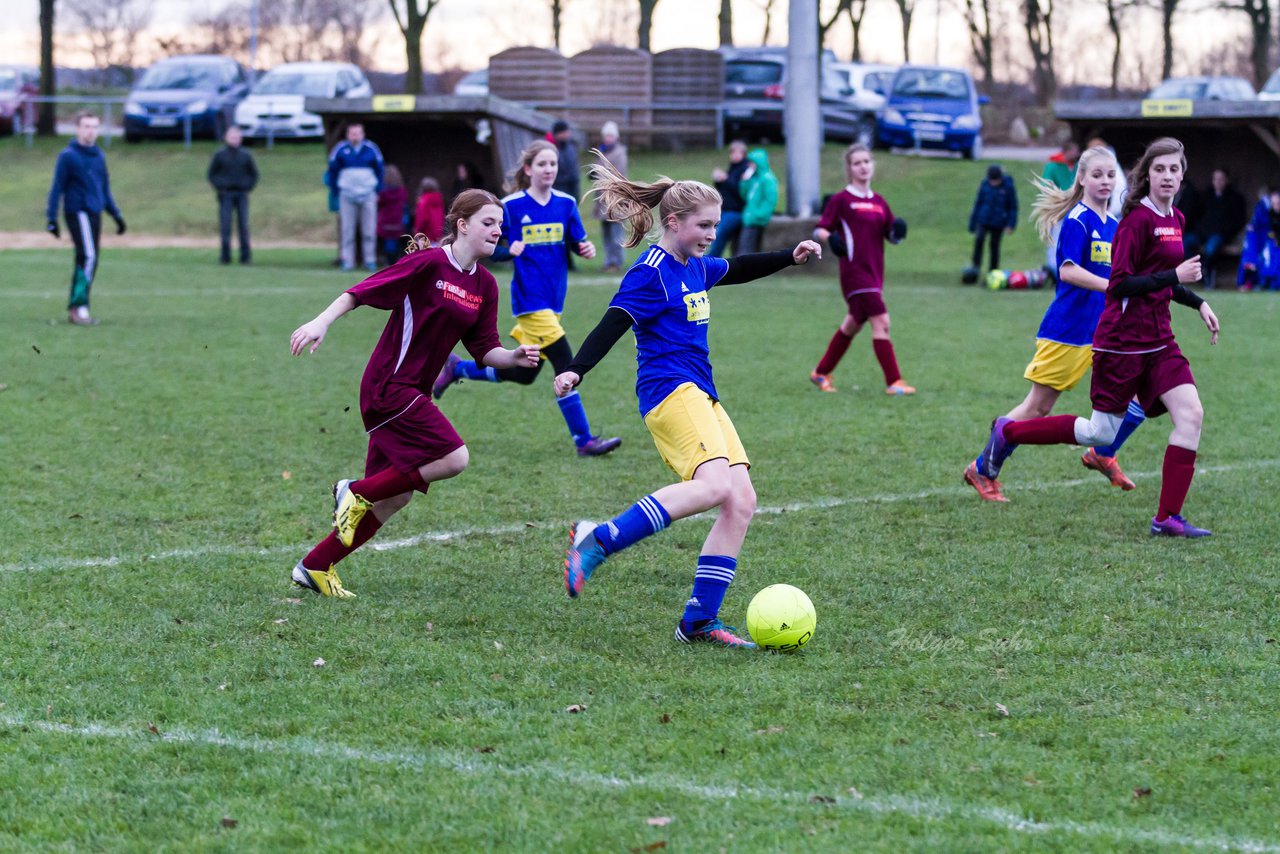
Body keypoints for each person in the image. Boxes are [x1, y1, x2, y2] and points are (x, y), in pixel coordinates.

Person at [554, 154, 822, 648]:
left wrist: (790, 256)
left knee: (741, 500)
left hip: (702, 392)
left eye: (716, 225)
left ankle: (698, 620)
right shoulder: (651, 272)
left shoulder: (695, 266)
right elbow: (614, 321)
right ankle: (599, 537)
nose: (710, 234)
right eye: (703, 225)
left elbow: (737, 268)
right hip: (669, 391)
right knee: (715, 486)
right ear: (672, 222)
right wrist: (576, 368)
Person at [286, 190, 540, 598]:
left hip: (414, 391)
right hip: (389, 384)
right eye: (489, 222)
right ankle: (354, 491)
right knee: (455, 458)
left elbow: (484, 349)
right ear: (463, 225)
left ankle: (315, 565)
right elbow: (362, 290)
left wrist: (513, 357)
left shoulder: (486, 284)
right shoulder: (429, 263)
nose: (498, 230)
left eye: (500, 224)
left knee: (397, 495)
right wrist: (321, 321)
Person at [975, 137, 1220, 537]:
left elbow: (1158, 281)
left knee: (1191, 414)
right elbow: (1120, 284)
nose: (1169, 176)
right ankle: (1008, 432)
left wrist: (1197, 302)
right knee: (1081, 424)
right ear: (1146, 175)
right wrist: (1175, 277)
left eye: (1175, 169)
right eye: (1160, 169)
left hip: (1159, 341)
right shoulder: (1132, 222)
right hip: (1112, 340)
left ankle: (1167, 518)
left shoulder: (1174, 219)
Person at [963, 145, 1147, 502]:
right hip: (1069, 330)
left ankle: (1103, 452)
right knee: (1038, 408)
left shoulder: (1114, 225)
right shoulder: (1078, 219)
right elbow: (1067, 270)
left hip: (1106, 331)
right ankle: (982, 468)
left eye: (1111, 175)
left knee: (1141, 393)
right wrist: (1113, 286)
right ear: (1081, 179)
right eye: (1097, 175)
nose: (1105, 181)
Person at [434, 140, 622, 457]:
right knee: (567, 365)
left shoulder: (565, 203)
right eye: (542, 164)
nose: (549, 169)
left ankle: (458, 369)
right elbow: (489, 246)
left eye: (553, 165)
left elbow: (577, 241)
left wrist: (584, 248)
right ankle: (585, 440)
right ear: (528, 169)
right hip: (530, 301)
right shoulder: (510, 206)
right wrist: (509, 251)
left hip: (554, 300)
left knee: (524, 373)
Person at [808, 144, 915, 396]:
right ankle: (894, 381)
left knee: (852, 325)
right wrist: (830, 239)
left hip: (875, 273)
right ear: (849, 168)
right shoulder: (841, 200)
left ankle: (821, 373)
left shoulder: (879, 202)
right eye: (857, 163)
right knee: (882, 321)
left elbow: (891, 234)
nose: (863, 166)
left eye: (867, 161)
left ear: (873, 164)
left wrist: (898, 232)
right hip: (854, 273)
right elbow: (819, 228)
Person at [46, 112, 126, 326]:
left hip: (94, 212)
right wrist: (52, 218)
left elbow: (104, 189)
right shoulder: (68, 156)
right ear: (77, 129)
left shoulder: (99, 156)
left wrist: (116, 216)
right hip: (77, 211)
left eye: (94, 127)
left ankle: (78, 306)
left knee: (90, 259)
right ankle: (79, 308)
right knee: (88, 256)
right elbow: (57, 188)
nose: (91, 131)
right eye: (86, 126)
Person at [327, 122, 385, 272]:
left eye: (358, 133)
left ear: (363, 134)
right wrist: (336, 189)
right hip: (347, 195)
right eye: (352, 133)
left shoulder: (371, 149)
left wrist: (377, 190)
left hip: (368, 194)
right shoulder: (340, 149)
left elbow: (380, 171)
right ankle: (348, 261)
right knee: (347, 230)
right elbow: (332, 171)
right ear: (348, 135)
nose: (355, 136)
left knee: (369, 230)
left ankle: (370, 260)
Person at [1185, 168, 1246, 289]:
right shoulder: (1206, 196)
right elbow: (1197, 216)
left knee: (1211, 248)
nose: (1218, 182)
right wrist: (1200, 230)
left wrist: (1224, 233)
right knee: (1183, 243)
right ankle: (1201, 271)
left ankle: (1207, 275)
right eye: (1215, 179)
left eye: (1221, 179)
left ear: (1227, 180)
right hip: (1202, 234)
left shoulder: (1235, 198)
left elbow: (1237, 222)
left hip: (1220, 235)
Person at [207, 125, 258, 265]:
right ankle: (225, 257)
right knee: (225, 225)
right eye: (232, 137)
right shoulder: (219, 155)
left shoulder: (246, 155)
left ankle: (245, 257)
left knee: (243, 225)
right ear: (226, 138)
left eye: (237, 137)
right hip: (226, 195)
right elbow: (211, 174)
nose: (235, 139)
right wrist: (220, 187)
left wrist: (248, 187)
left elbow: (254, 174)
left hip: (242, 194)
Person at [968, 163, 1018, 272]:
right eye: (991, 181)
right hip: (983, 219)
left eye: (995, 181)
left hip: (999, 222)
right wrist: (972, 222)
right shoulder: (985, 184)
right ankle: (975, 266)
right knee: (979, 239)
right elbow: (978, 203)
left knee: (994, 245)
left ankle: (993, 270)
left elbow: (1013, 207)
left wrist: (1011, 224)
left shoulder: (1008, 187)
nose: (993, 183)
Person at [593, 120, 628, 272]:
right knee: (606, 234)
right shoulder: (603, 151)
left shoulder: (619, 153)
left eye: (610, 136)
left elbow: (618, 177)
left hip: (615, 200)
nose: (607, 138)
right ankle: (609, 261)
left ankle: (617, 262)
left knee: (615, 234)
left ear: (616, 137)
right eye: (605, 135)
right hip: (602, 200)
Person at [1041, 140, 1080, 272]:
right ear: (1066, 152)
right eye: (1074, 151)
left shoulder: (1077, 166)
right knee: (1055, 239)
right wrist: (1059, 200)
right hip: (1058, 210)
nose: (1077, 154)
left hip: (1074, 209)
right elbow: (1046, 187)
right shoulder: (1052, 166)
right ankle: (1053, 269)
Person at [708, 140, 750, 258]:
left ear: (743, 154)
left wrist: (726, 179)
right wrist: (718, 180)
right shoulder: (733, 168)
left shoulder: (745, 170)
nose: (735, 155)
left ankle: (710, 260)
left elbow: (740, 191)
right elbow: (724, 190)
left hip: (736, 211)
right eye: (733, 153)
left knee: (719, 234)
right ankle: (711, 259)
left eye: (738, 153)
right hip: (724, 210)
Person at [1238, 188, 1280, 291]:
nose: (1276, 206)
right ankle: (1255, 281)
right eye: (1274, 203)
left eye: (1278, 203)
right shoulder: (1267, 216)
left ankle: (1272, 282)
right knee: (1259, 252)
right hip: (1267, 248)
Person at [738, 148, 777, 254]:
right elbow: (745, 196)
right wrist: (744, 182)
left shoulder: (768, 179)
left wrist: (758, 214)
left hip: (756, 219)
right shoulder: (754, 179)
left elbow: (770, 200)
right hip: (749, 218)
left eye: (752, 163)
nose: (750, 165)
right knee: (745, 248)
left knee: (746, 250)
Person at [377, 164, 409, 265]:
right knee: (397, 243)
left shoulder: (383, 193)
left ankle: (390, 263)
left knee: (389, 244)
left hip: (386, 222)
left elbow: (379, 204)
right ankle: (397, 262)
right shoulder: (402, 191)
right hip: (398, 222)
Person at [412, 176, 445, 247]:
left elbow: (422, 220)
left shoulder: (424, 201)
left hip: (425, 237)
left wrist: (416, 231)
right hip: (437, 236)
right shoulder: (439, 200)